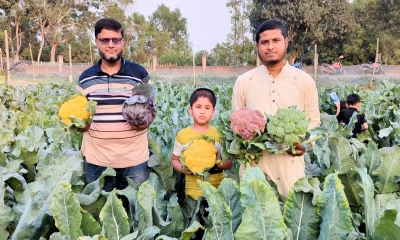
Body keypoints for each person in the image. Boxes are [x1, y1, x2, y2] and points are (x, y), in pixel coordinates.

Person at [231, 19, 321, 198]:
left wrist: (305, 143)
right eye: (264, 42)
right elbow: (235, 124)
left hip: (292, 173)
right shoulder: (244, 82)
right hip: (254, 173)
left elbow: (313, 121)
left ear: (286, 42)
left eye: (276, 41)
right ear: (257, 46)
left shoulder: (304, 81)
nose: (270, 46)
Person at [77, 18, 153, 191]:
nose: (111, 45)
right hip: (98, 161)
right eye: (105, 40)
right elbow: (82, 114)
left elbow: (151, 109)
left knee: (137, 213)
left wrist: (143, 121)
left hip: (134, 160)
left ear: (122, 42)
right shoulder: (86, 78)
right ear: (97, 42)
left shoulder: (139, 73)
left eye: (116, 40)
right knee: (101, 212)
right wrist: (79, 124)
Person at [171, 88, 233, 201]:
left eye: (207, 108)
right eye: (198, 107)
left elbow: (229, 163)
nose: (202, 111)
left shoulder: (219, 134)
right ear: (190, 110)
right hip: (192, 191)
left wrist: (216, 163)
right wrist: (184, 169)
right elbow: (174, 160)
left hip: (217, 189)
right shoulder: (182, 135)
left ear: (213, 112)